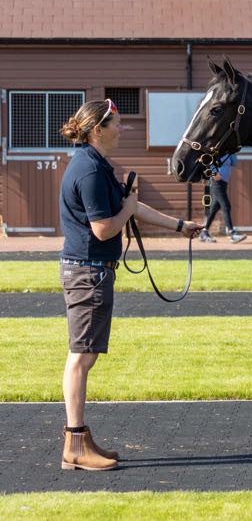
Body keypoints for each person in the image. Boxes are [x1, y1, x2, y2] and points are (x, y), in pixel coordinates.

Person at [59, 99, 200, 470]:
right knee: (81, 358)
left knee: (84, 356)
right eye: (117, 123)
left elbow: (130, 207)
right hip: (88, 272)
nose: (123, 129)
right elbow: (105, 228)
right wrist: (129, 207)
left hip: (92, 271)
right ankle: (75, 444)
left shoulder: (96, 165)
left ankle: (80, 439)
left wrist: (179, 226)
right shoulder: (90, 171)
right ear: (98, 130)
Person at [198, 153, 247, 243]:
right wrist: (214, 173)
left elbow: (234, 162)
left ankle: (203, 233)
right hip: (216, 182)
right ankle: (232, 234)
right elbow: (207, 162)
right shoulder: (215, 151)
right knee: (226, 206)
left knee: (214, 209)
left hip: (223, 183)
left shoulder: (228, 152)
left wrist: (232, 152)